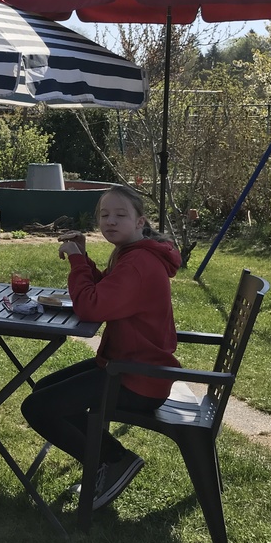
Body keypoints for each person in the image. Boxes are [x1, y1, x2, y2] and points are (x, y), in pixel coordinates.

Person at [20, 185, 182, 511]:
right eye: (104, 215)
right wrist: (85, 259)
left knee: (38, 407)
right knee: (46, 389)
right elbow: (105, 292)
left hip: (137, 378)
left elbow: (92, 307)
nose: (110, 221)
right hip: (130, 366)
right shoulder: (134, 253)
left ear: (140, 222)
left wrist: (78, 262)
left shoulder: (138, 263)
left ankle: (112, 459)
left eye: (120, 215)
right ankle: (106, 459)